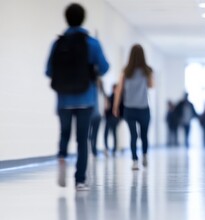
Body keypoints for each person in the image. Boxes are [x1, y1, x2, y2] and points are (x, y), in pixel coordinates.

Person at [46, 3, 109, 190]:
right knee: (83, 139)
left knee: (64, 133)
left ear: (66, 18)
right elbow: (105, 68)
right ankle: (80, 180)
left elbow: (49, 71)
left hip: (63, 99)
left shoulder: (58, 43)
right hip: (86, 98)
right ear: (83, 18)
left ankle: (62, 158)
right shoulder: (92, 43)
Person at [113, 44, 153, 170]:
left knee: (133, 135)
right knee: (144, 134)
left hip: (129, 108)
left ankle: (135, 160)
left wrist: (115, 106)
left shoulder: (126, 71)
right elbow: (151, 86)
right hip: (143, 108)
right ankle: (145, 155)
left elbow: (119, 90)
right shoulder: (148, 71)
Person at [104, 84, 121, 156]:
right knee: (107, 133)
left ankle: (114, 149)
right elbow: (106, 109)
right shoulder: (110, 97)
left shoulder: (119, 98)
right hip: (109, 118)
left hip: (114, 118)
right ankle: (107, 148)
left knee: (113, 133)